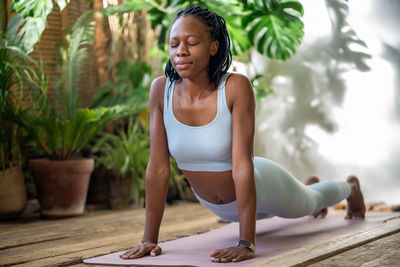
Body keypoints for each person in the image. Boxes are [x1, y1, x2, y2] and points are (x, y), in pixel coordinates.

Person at [120, 5, 366, 263]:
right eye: (174, 44)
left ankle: (349, 188)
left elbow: (242, 165)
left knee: (308, 203)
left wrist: (246, 242)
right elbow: (158, 168)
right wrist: (149, 239)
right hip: (221, 208)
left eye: (192, 42)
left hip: (262, 184)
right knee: (277, 213)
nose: (181, 51)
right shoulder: (161, 90)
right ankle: (305, 186)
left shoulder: (235, 87)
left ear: (213, 47)